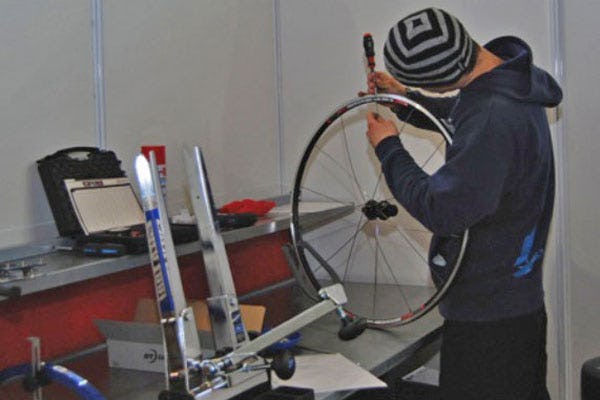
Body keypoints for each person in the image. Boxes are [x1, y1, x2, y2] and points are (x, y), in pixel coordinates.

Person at [363, 7, 562, 400]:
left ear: (440, 79)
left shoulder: (492, 115)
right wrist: (406, 100)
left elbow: (442, 209)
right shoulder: (508, 83)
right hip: (513, 302)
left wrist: (389, 148)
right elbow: (462, 114)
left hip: (489, 321)